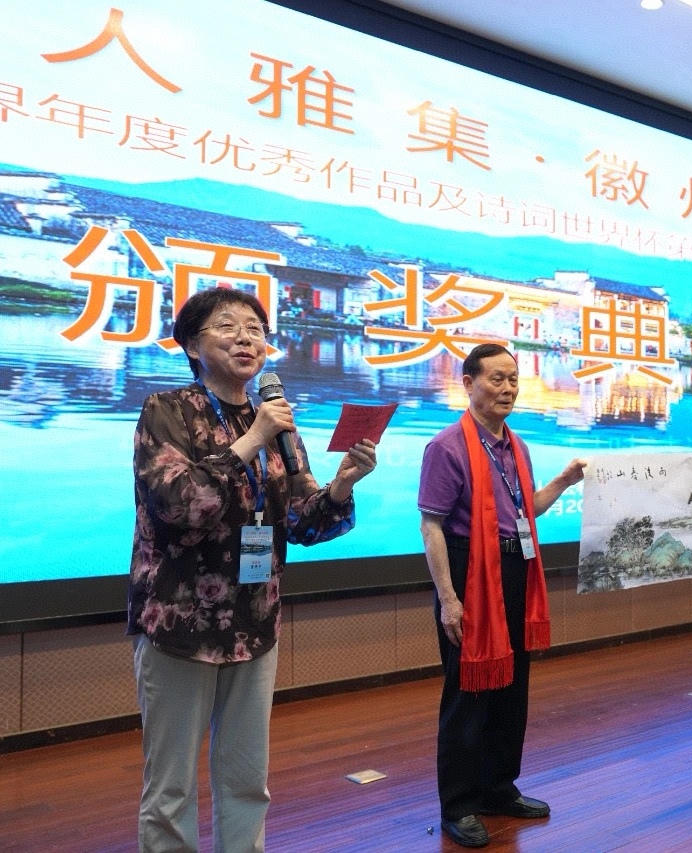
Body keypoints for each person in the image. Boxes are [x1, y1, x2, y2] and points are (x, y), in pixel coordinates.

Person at [128, 287, 378, 852]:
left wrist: (342, 484)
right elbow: (178, 506)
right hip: (179, 622)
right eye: (227, 326)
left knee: (246, 779)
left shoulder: (278, 423)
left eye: (256, 329)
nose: (246, 338)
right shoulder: (167, 410)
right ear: (192, 345)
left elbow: (306, 523)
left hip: (254, 621)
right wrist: (250, 441)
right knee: (170, 787)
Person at [418, 343, 586, 849]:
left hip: (515, 569)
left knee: (512, 687)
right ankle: (459, 804)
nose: (508, 388)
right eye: (497, 379)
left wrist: (564, 481)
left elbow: (525, 509)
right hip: (470, 574)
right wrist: (449, 599)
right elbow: (432, 526)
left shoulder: (517, 446)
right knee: (468, 693)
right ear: (468, 383)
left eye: (513, 379)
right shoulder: (446, 447)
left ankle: (497, 788)